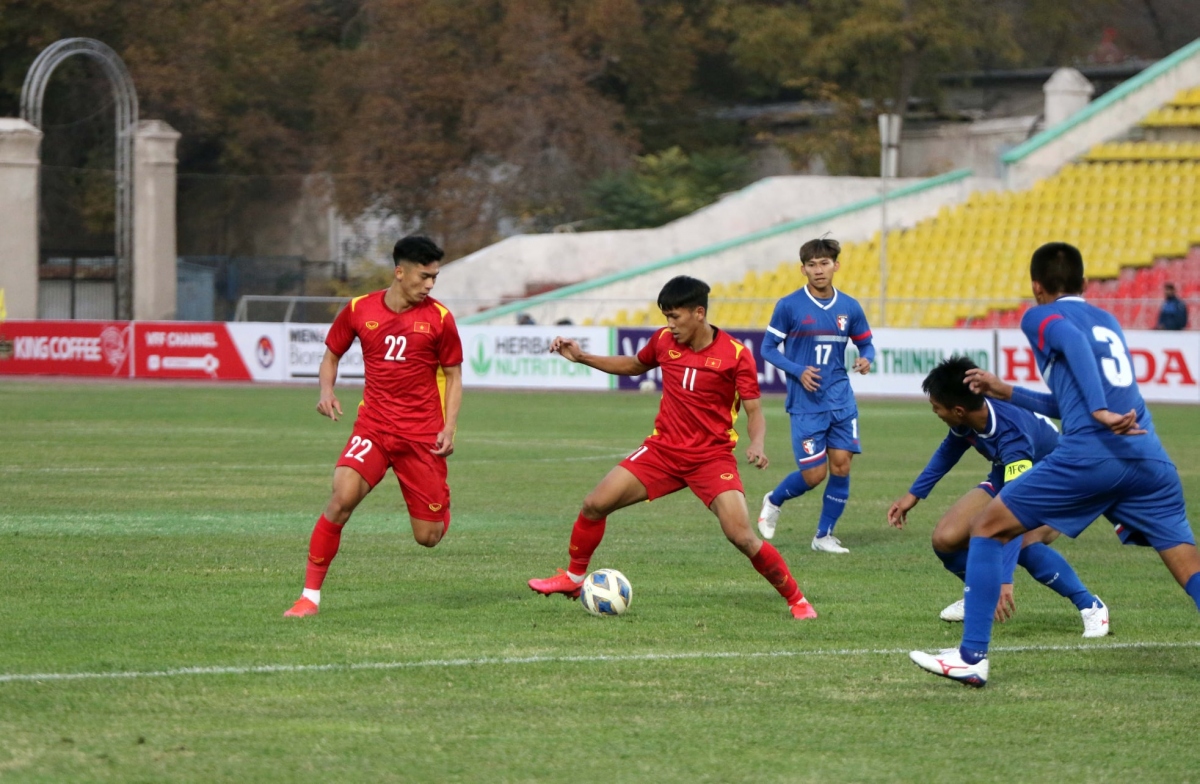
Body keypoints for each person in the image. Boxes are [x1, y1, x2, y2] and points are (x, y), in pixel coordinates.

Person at [909, 242, 1200, 687]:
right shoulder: (1108, 321)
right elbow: (1068, 401)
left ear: (1037, 287)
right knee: (1187, 566)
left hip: (1090, 454)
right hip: (1148, 457)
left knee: (988, 526)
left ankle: (971, 657)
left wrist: (1099, 410)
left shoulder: (1040, 316)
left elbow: (1070, 341)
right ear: (1085, 284)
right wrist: (1007, 392)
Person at [528, 275, 818, 619]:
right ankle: (574, 578)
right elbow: (635, 365)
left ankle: (797, 599)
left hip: (711, 459)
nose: (670, 324)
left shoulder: (736, 355)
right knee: (594, 503)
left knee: (741, 536)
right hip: (662, 451)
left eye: (675, 316)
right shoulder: (664, 341)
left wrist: (757, 443)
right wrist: (581, 357)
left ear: (698, 313)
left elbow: (754, 410)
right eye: (666, 316)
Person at [284, 235, 464, 617]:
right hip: (374, 428)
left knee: (428, 538)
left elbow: (454, 374)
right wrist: (326, 390)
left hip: (421, 437)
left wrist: (449, 428)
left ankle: (440, 502)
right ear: (400, 272)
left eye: (435, 277)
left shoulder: (440, 319)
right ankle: (308, 598)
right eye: (424, 276)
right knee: (341, 499)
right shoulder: (358, 309)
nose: (430, 284)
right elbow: (331, 354)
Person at [888, 355, 1108, 636]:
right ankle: (980, 593)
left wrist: (1005, 579)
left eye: (936, 407)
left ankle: (1090, 605)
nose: (935, 412)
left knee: (1023, 541)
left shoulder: (1011, 435)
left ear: (957, 410)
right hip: (1011, 475)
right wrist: (913, 495)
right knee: (946, 538)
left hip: (1062, 481)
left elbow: (1019, 507)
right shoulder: (968, 415)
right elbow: (950, 449)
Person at [757, 237, 875, 553]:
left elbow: (866, 343)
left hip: (841, 400)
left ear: (836, 265)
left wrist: (867, 358)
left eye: (824, 263)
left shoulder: (849, 307)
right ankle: (775, 499)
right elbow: (767, 348)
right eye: (812, 265)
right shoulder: (789, 306)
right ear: (803, 269)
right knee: (813, 475)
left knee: (841, 466)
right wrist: (798, 370)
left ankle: (824, 536)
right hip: (806, 404)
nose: (818, 270)